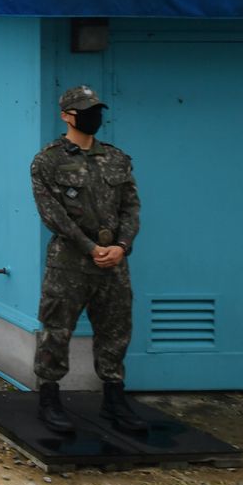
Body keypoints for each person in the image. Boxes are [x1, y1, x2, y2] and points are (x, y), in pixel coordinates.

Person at [29, 85, 145, 434]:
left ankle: (114, 398)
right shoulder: (48, 161)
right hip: (70, 263)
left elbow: (131, 207)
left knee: (115, 331)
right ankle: (49, 397)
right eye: (85, 110)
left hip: (113, 264)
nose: (94, 116)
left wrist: (122, 246)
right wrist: (90, 247)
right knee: (56, 331)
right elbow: (53, 214)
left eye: (96, 109)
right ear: (66, 115)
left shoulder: (116, 158)